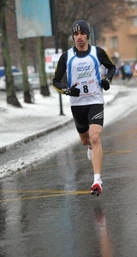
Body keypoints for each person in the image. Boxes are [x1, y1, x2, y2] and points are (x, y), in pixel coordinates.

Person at [52, 20, 116, 196]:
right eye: (76, 34)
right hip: (77, 104)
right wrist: (67, 90)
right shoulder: (67, 56)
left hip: (95, 101)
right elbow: (55, 81)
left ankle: (97, 180)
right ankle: (89, 148)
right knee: (85, 140)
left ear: (87, 35)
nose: (79, 37)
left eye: (82, 33)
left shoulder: (97, 52)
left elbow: (111, 67)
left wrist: (107, 81)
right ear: (73, 37)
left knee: (95, 137)